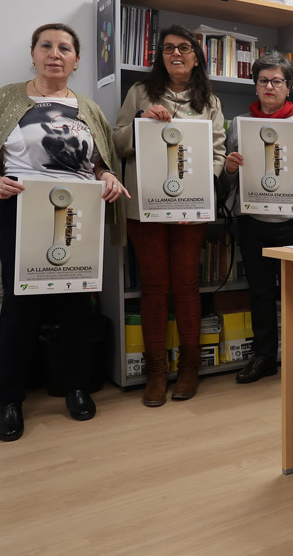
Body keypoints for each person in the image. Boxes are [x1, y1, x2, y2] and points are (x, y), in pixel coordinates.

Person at [0, 23, 128, 441]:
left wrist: (109, 177)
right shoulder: (6, 100)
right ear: (33, 53)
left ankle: (77, 387)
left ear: (76, 60)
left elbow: (101, 163)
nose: (55, 53)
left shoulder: (88, 108)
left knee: (76, 304)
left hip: (79, 216)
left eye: (65, 47)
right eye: (46, 45)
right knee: (20, 306)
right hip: (23, 213)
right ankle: (9, 399)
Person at [112, 25, 226, 407]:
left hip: (190, 208)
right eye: (167, 49)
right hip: (145, 208)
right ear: (160, 56)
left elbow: (218, 152)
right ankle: (156, 371)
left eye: (184, 48)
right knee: (155, 287)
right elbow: (118, 142)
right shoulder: (140, 93)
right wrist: (143, 119)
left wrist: (198, 186)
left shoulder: (209, 100)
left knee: (188, 285)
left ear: (197, 55)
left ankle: (190, 367)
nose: (175, 53)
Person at [220, 53, 293, 383]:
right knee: (261, 293)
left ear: (288, 87)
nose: (269, 86)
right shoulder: (238, 124)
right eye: (263, 80)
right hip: (253, 222)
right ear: (255, 86)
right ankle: (264, 357)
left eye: (276, 81)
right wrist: (228, 170)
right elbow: (226, 181)